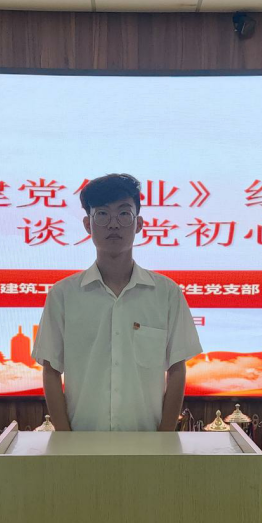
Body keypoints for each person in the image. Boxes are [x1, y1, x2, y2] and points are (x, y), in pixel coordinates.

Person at [33, 173, 202, 431]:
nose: (113, 224)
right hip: (82, 440)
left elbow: (177, 369)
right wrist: (66, 439)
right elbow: (51, 370)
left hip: (148, 441)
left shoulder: (166, 293)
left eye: (124, 214)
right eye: (102, 214)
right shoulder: (63, 294)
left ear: (139, 224)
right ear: (88, 224)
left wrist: (165, 437)